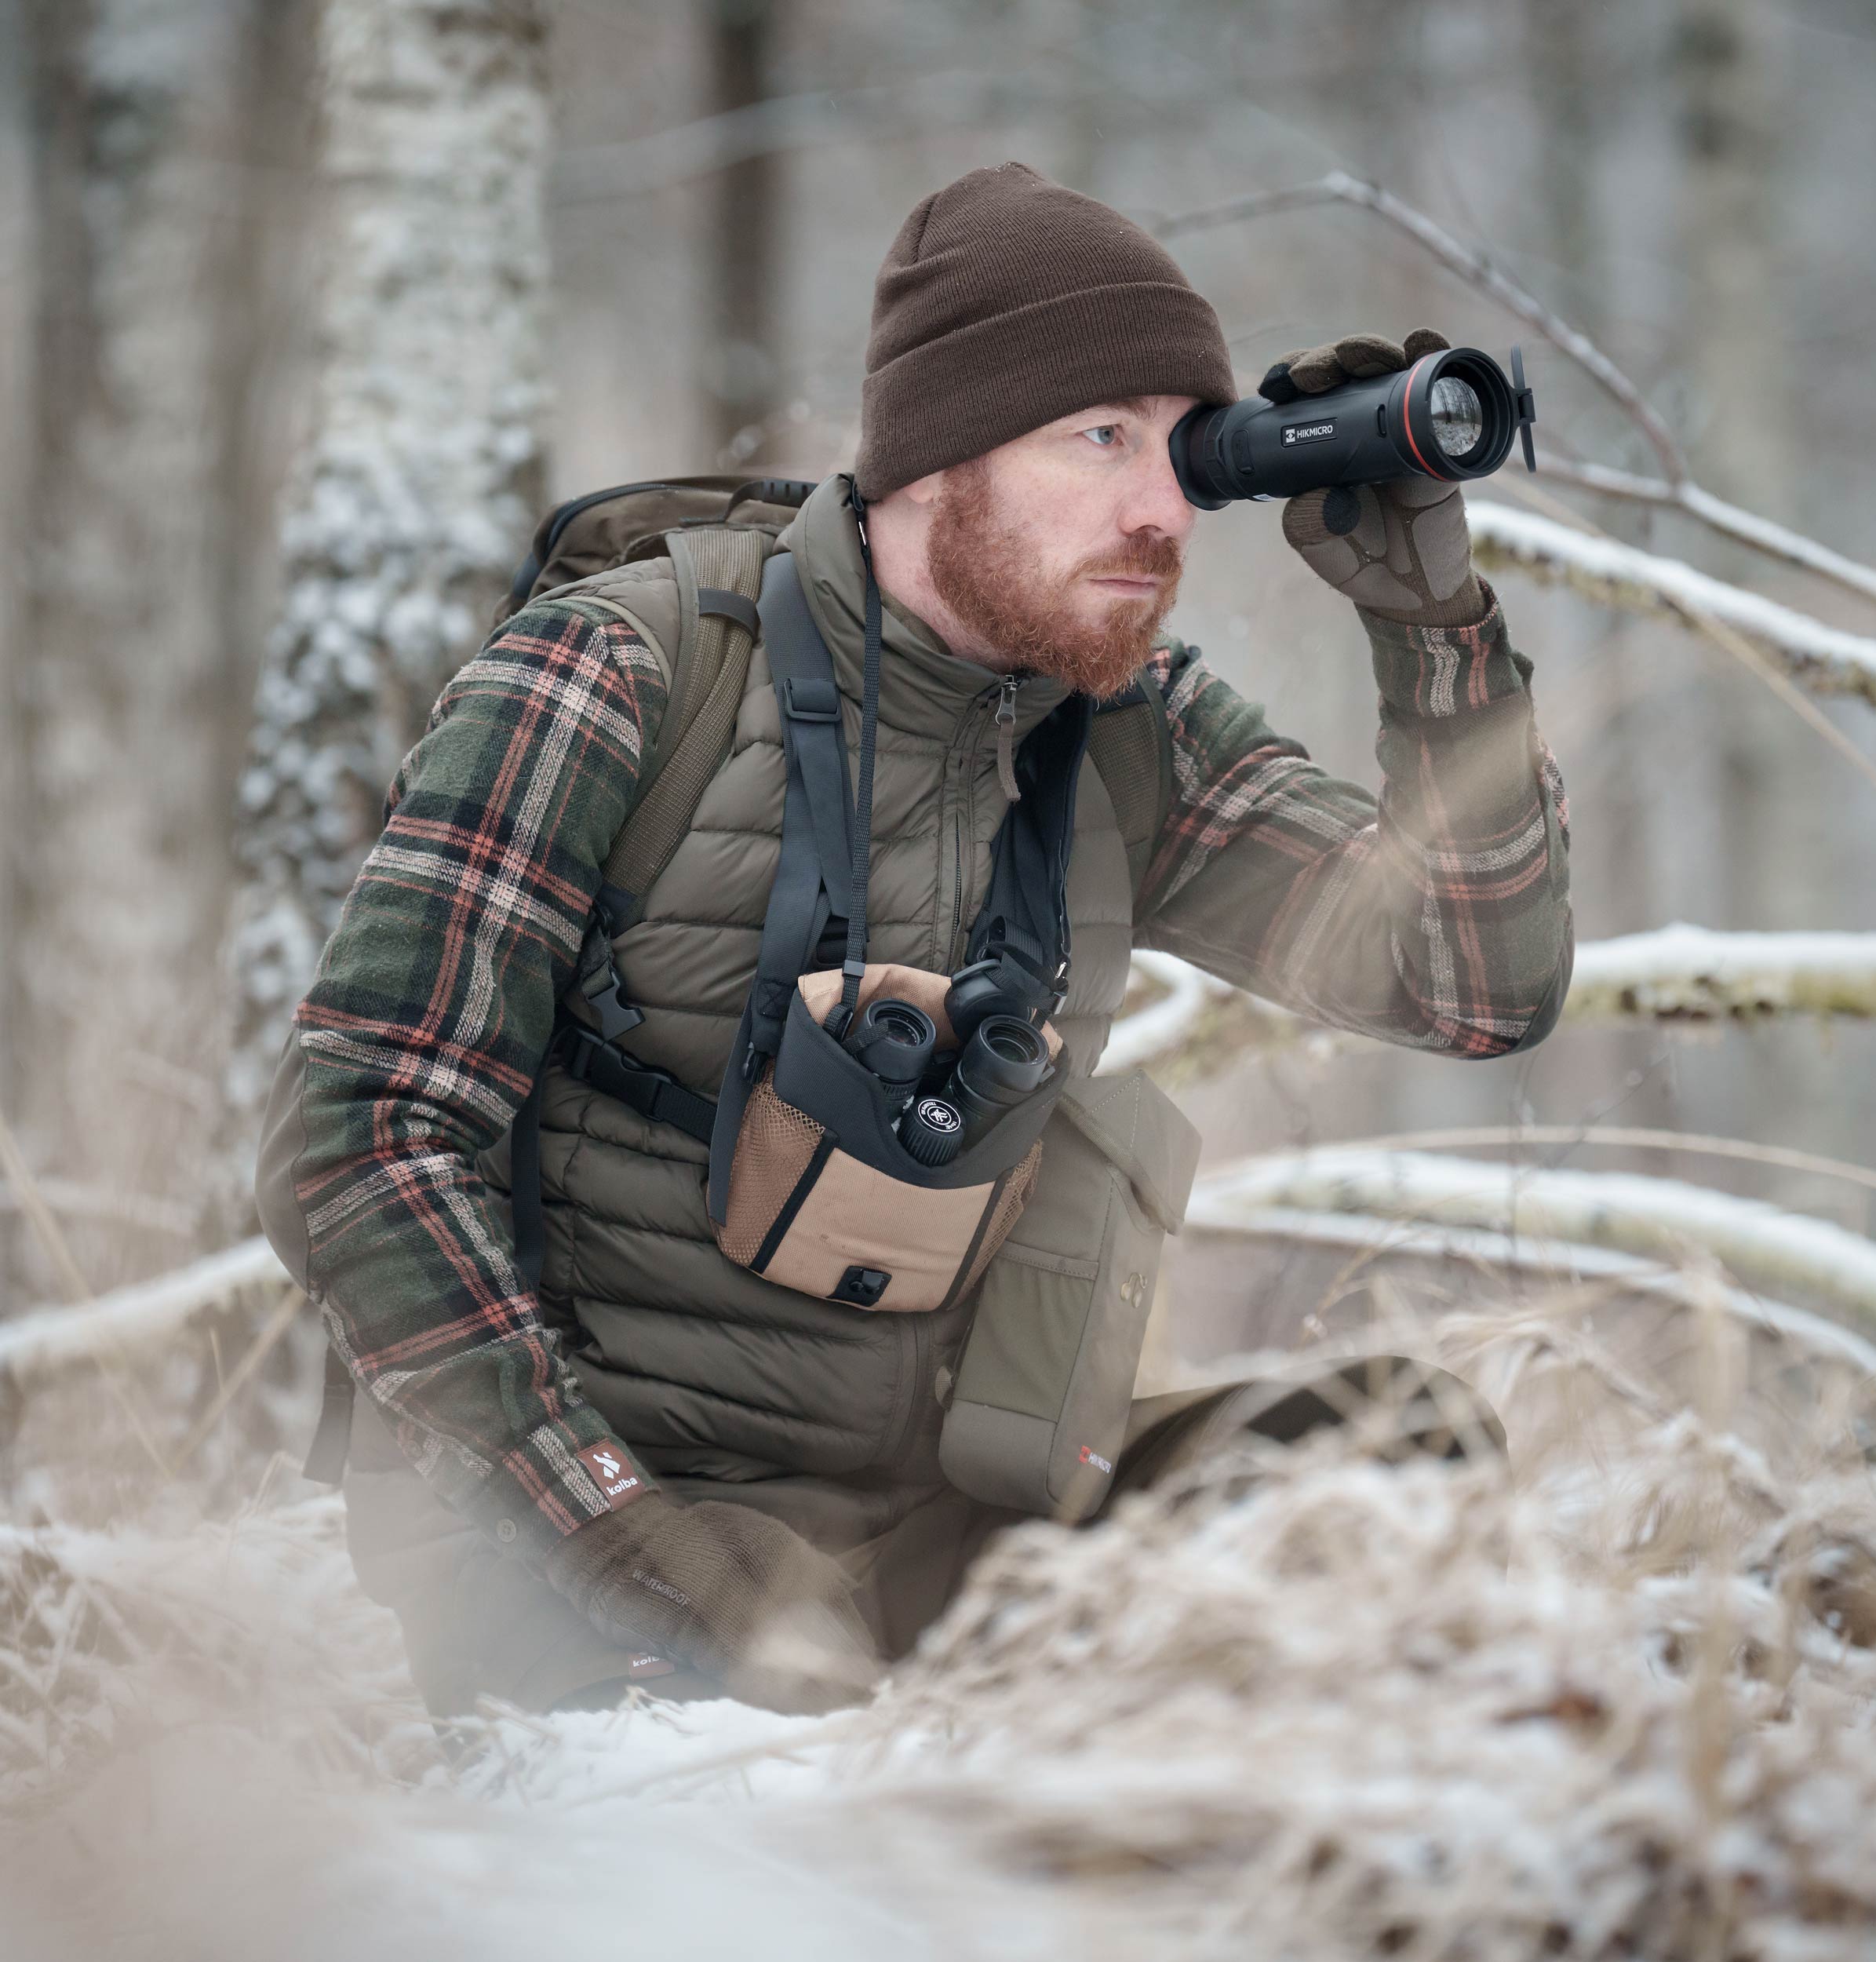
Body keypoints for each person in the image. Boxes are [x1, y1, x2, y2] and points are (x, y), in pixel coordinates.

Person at [257, 162, 1570, 1719]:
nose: (1158, 510)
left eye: (1184, 452)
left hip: (941, 1534)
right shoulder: (619, 666)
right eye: (1097, 440)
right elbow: (359, 1135)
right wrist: (610, 1521)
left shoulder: (1127, 732)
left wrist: (1434, 634)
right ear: (938, 454)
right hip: (585, 1529)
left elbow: (1472, 987)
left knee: (1390, 1454)